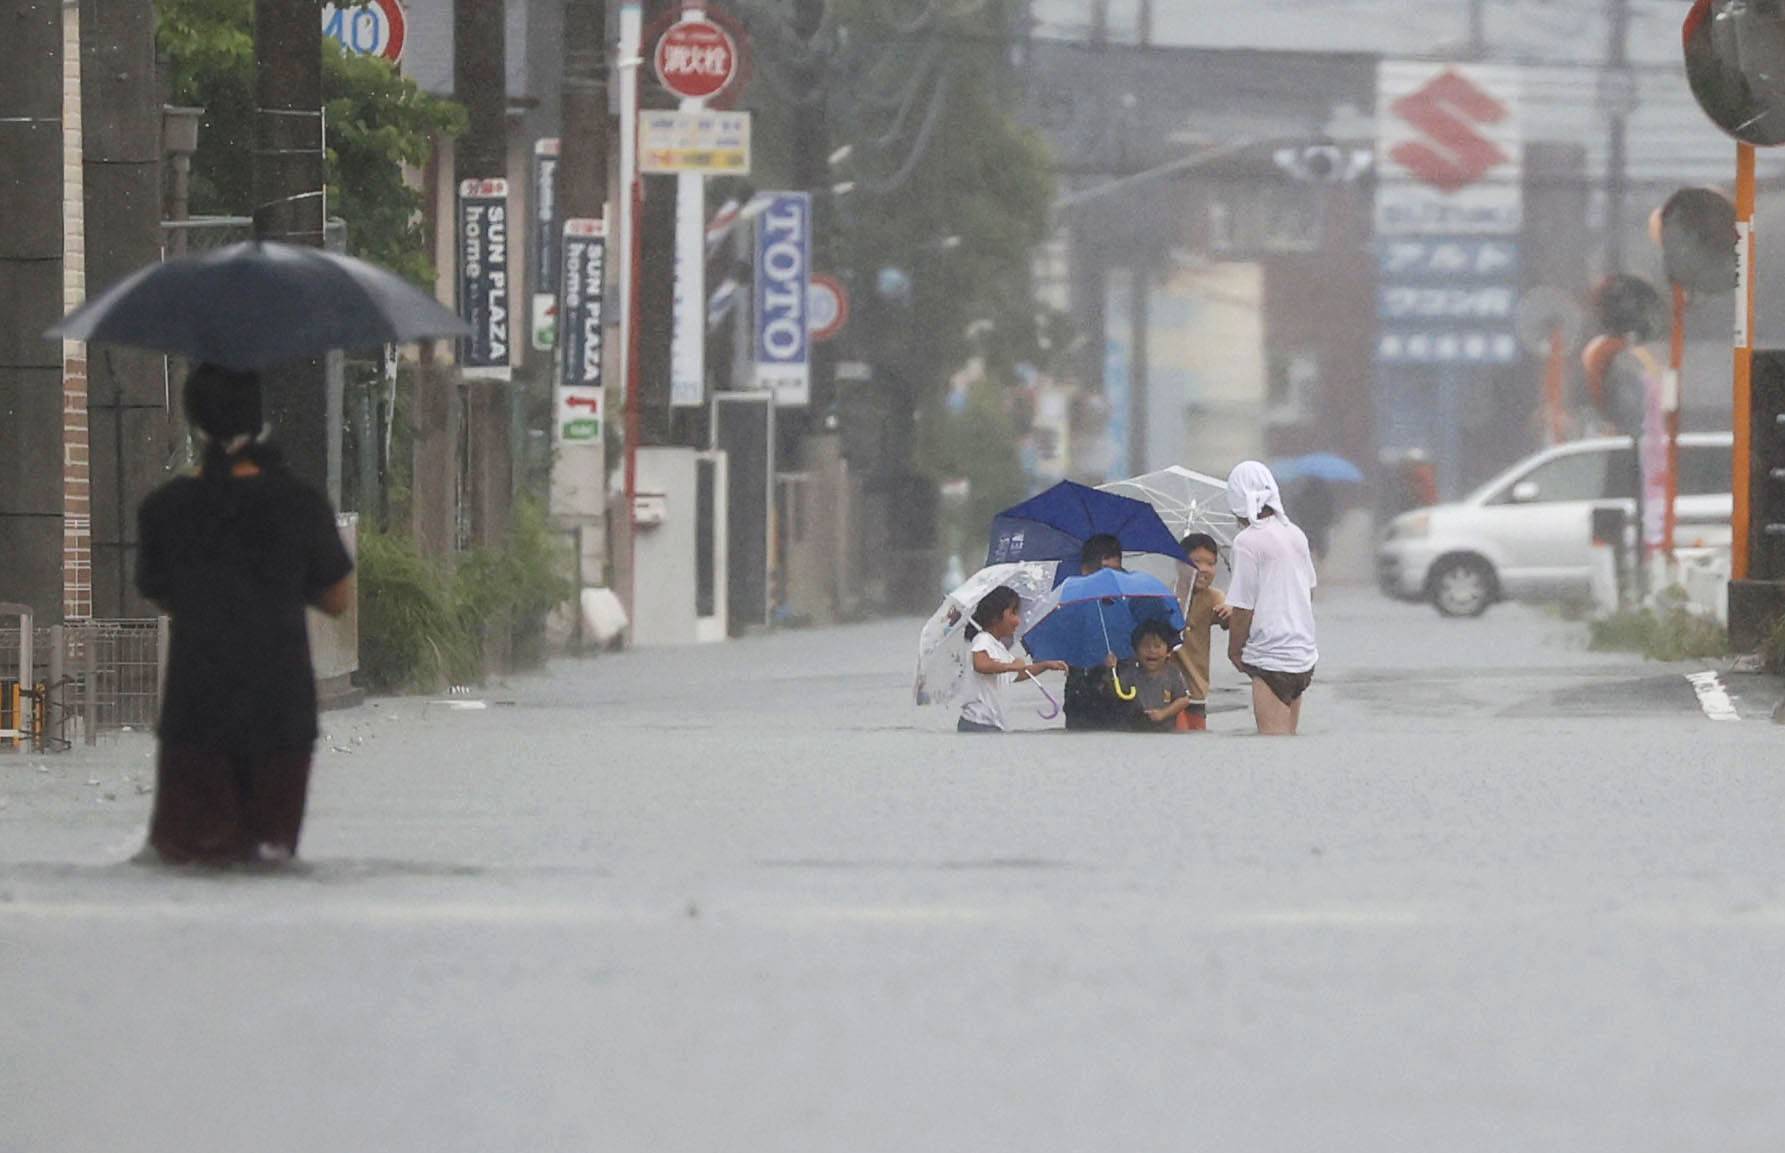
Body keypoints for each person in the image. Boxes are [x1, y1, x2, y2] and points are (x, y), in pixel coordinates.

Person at [134, 363, 355, 865]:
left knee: (187, 858)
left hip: (196, 711)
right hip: (282, 714)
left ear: (194, 423)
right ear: (261, 422)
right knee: (271, 859)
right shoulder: (300, 504)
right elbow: (337, 599)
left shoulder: (165, 509)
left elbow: (162, 593)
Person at [1223, 461, 1319, 736]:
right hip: (1304, 657)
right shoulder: (1296, 534)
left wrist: (1234, 651)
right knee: (1290, 745)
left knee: (1271, 750)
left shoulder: (1246, 543)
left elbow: (1243, 608)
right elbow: (1309, 591)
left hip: (1270, 659)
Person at [959, 586, 1066, 733]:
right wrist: (1011, 666)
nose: (1018, 620)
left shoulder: (998, 647)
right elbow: (981, 664)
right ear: (996, 617)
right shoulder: (983, 639)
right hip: (977, 724)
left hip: (993, 725)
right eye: (1013, 613)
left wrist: (1045, 665)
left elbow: (1020, 673)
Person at [1063, 534, 1127, 731]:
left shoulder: (1128, 604)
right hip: (1081, 693)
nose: (1108, 580)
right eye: (1103, 572)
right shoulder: (1069, 605)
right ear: (1085, 571)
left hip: (1121, 690)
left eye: (1115, 572)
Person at [1173, 532, 1231, 732]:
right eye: (1196, 561)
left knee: (1196, 739)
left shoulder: (1214, 597)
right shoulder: (1165, 594)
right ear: (1180, 563)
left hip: (1196, 689)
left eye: (1211, 563)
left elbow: (1231, 621)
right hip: (1166, 690)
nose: (1204, 569)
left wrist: (1231, 612)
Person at [1121, 619, 1193, 733]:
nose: (1152, 651)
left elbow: (1184, 699)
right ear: (1136, 651)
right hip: (1135, 729)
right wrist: (1111, 669)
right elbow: (1115, 692)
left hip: (1166, 732)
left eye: (1157, 646)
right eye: (1145, 646)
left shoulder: (1172, 673)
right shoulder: (1131, 674)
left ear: (1168, 651)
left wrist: (1163, 714)